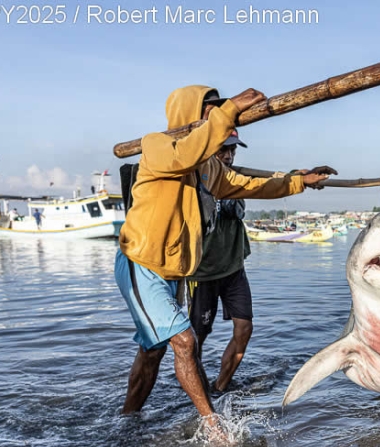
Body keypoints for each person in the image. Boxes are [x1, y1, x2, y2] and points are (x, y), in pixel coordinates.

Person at [115, 85, 333, 425]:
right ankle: (213, 425)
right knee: (185, 341)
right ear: (189, 115)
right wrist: (228, 110)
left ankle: (127, 418)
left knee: (152, 351)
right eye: (208, 110)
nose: (214, 116)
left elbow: (249, 185)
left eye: (216, 110)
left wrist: (298, 181)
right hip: (140, 264)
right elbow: (183, 156)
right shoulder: (156, 145)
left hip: (173, 272)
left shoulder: (208, 169)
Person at [187, 131, 331, 392]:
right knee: (196, 339)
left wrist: (300, 178)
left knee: (244, 328)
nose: (229, 156)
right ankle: (196, 389)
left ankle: (220, 387)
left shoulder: (237, 180)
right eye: (223, 151)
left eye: (233, 151)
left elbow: (266, 184)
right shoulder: (195, 178)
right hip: (202, 273)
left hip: (233, 268)